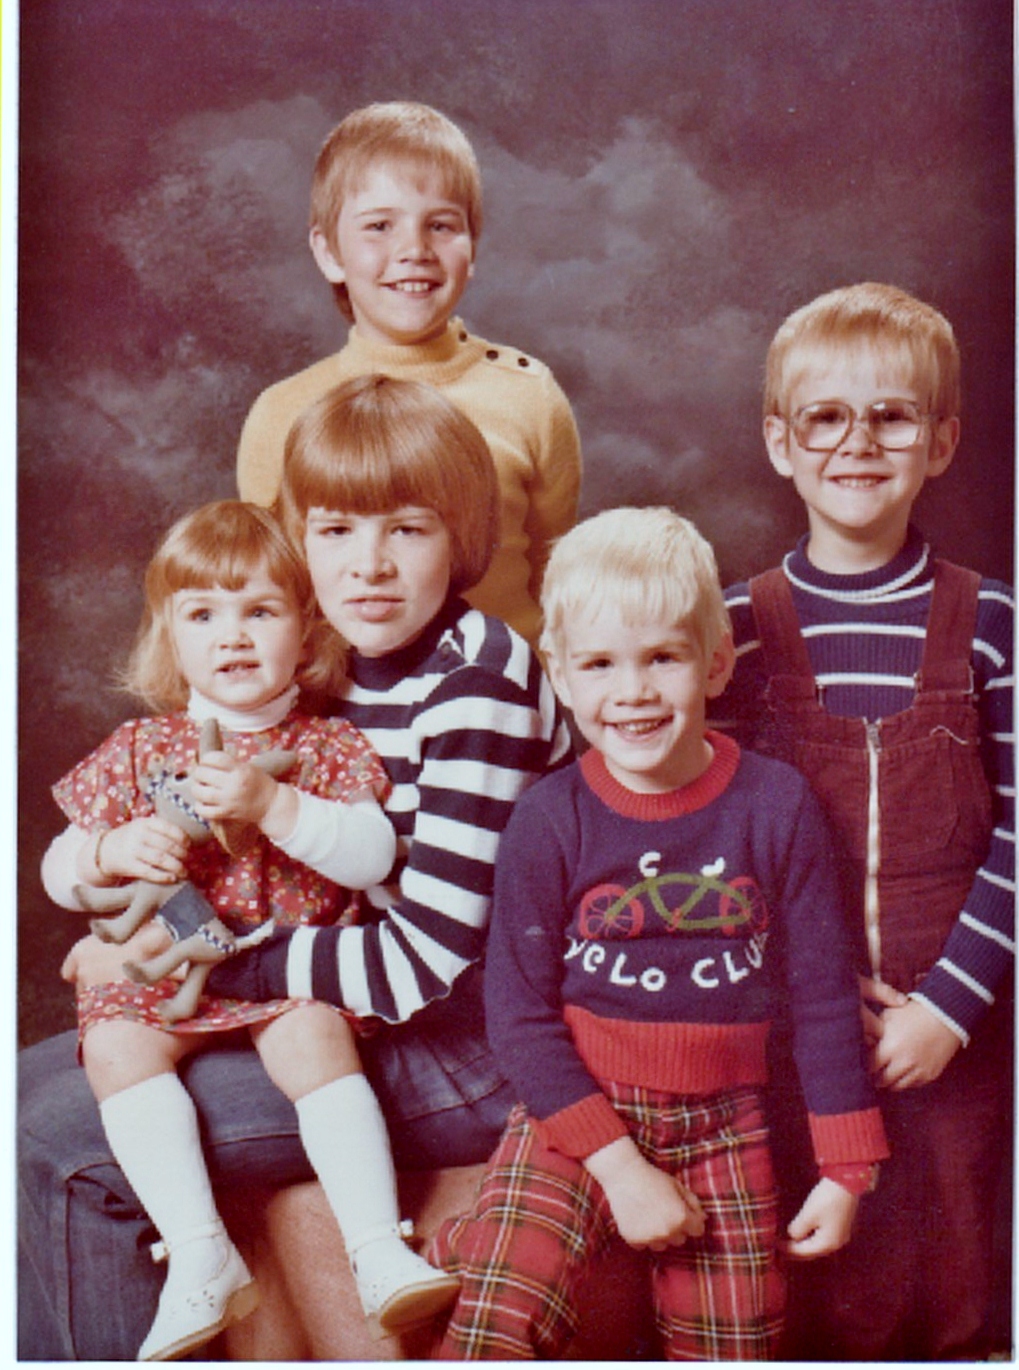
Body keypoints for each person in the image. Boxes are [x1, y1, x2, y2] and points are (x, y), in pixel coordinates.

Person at [19, 377, 571, 1360]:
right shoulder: (337, 661)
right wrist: (131, 906)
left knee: (51, 1140)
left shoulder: (475, 679)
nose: (368, 564)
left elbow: (425, 964)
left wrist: (176, 959)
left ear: (462, 537)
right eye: (335, 531)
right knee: (19, 1086)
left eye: (407, 530)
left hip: (473, 1045)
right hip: (328, 995)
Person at [426, 507, 889, 1361]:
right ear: (561, 675)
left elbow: (824, 999)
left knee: (734, 1344)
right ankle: (493, 1236)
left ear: (714, 663)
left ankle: (481, 1233)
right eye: (599, 664)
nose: (632, 692)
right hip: (574, 1112)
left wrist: (844, 1170)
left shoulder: (775, 804)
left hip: (725, 1124)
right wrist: (619, 1168)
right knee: (498, 1325)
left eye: (662, 658)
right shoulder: (548, 818)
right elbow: (518, 1018)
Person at [42, 499, 465, 1357]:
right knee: (115, 1046)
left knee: (315, 1036)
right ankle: (200, 1252)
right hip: (173, 973)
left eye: (260, 612)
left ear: (306, 632)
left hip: (284, 973)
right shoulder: (141, 748)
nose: (232, 637)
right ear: (170, 636)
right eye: (203, 615)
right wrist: (109, 851)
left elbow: (371, 855)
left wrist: (275, 804)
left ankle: (375, 1248)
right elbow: (57, 868)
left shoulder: (325, 746)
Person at [717, 282, 1014, 1360]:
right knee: (821, 1301)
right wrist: (810, 987)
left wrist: (948, 1006)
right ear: (777, 442)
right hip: (797, 1036)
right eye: (824, 418)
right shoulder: (734, 631)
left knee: (956, 1294)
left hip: (958, 1036)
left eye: (891, 416)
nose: (857, 442)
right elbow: (705, 838)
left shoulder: (989, 623)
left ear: (939, 442)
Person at [235, 100, 582, 647]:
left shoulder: (529, 395)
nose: (414, 250)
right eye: (379, 226)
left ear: (473, 246)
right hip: (346, 695)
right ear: (328, 252)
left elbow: (554, 572)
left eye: (440, 226)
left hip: (505, 691)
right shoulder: (281, 413)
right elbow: (273, 592)